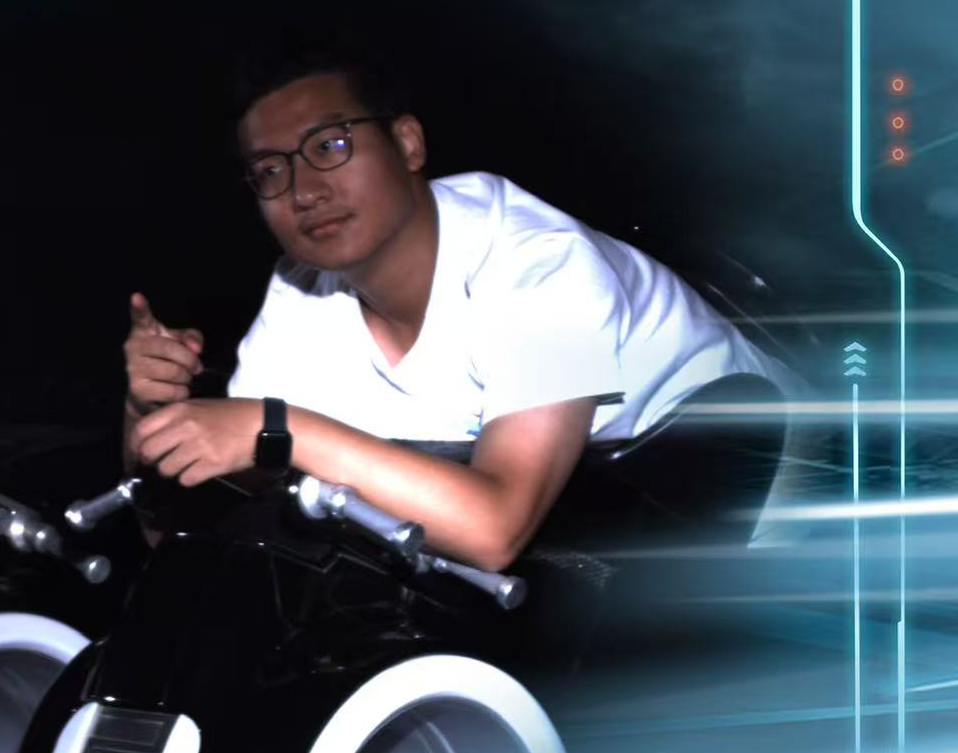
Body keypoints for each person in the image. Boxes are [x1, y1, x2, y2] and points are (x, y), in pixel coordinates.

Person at [121, 52, 798, 572]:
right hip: (601, 536)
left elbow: (493, 530)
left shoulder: (539, 265)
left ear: (408, 144)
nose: (304, 191)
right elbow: (184, 531)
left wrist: (279, 428)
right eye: (271, 171)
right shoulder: (301, 295)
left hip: (778, 535)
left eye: (330, 146)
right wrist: (151, 410)